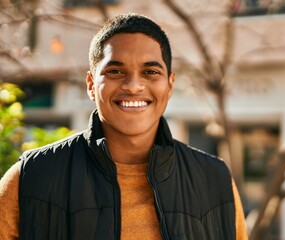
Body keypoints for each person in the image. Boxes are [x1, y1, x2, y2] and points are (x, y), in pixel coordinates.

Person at [0, 13, 248, 240]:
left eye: (150, 71)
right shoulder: (30, 178)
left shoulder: (215, 181)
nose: (133, 85)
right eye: (116, 71)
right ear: (90, 84)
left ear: (170, 85)